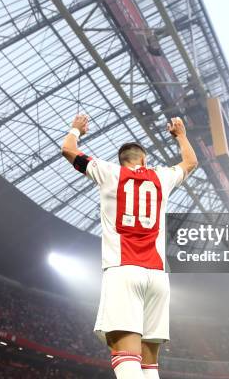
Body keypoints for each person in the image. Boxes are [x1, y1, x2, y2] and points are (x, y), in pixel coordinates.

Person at [61, 114, 198, 379]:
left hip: (123, 272)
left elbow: (68, 150)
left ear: (122, 161)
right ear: (144, 160)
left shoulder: (109, 172)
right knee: (149, 365)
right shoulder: (162, 176)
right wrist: (180, 135)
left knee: (125, 357)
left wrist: (76, 130)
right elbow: (191, 162)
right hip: (158, 277)